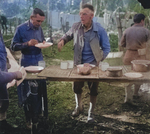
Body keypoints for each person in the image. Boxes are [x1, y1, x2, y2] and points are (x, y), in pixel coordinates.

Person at [58, 4, 110, 123]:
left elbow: (106, 48)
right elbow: (68, 35)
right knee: (76, 87)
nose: (81, 16)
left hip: (93, 66)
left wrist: (99, 60)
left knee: (93, 89)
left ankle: (91, 113)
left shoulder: (99, 30)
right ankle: (79, 106)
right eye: (80, 14)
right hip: (79, 64)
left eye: (84, 14)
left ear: (91, 16)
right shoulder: (76, 26)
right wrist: (62, 41)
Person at [11, 8, 47, 129]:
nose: (39, 24)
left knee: (40, 87)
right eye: (38, 21)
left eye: (42, 21)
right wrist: (27, 44)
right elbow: (13, 46)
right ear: (31, 18)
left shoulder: (39, 28)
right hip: (26, 60)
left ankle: (38, 114)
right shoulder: (20, 29)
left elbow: (41, 41)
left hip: (39, 59)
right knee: (27, 90)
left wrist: (43, 42)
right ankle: (28, 117)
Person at [120, 13, 150, 103]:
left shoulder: (127, 31)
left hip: (128, 55)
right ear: (142, 21)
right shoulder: (146, 31)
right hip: (140, 57)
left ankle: (128, 96)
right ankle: (135, 93)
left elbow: (121, 44)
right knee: (140, 76)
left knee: (128, 75)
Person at [0, 29, 22, 133]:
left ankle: (3, 123)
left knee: (4, 101)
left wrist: (6, 60)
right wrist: (15, 75)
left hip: (3, 72)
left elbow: (2, 49)